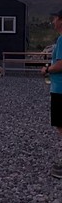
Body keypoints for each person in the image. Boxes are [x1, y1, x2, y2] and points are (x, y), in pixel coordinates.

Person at [42, 10, 62, 179]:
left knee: (61, 126)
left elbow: (60, 65)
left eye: (55, 18)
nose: (53, 22)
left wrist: (47, 69)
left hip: (60, 89)